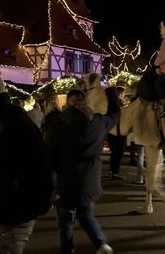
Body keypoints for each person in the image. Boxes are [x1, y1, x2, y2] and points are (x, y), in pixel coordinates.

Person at [44, 89, 120, 254]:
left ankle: (67, 250)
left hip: (66, 181)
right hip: (88, 180)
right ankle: (101, 243)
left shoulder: (58, 123)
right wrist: (112, 96)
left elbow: (50, 155)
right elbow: (115, 115)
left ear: (68, 103)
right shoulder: (98, 122)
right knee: (85, 213)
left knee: (66, 222)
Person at [0, 59, 54, 254]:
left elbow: (37, 169)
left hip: (9, 214)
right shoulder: (7, 121)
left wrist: (37, 204)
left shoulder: (13, 123)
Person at [106, 86, 128, 180]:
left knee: (114, 153)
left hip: (111, 133)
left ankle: (112, 171)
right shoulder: (117, 105)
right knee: (118, 153)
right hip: (119, 132)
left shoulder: (108, 104)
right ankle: (114, 172)